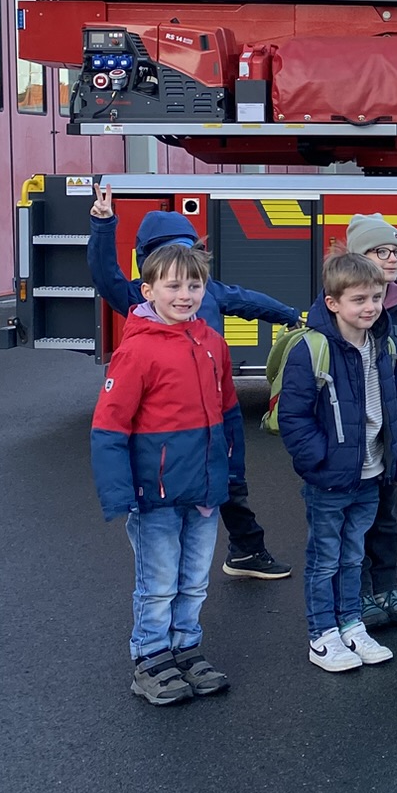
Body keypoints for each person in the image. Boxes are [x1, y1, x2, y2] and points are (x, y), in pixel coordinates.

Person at [88, 184, 299, 580]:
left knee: (231, 482)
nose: (183, 288)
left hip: (217, 411)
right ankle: (216, 561)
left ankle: (246, 551)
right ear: (149, 270)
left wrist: (288, 314)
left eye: (190, 262)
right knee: (187, 499)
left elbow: (252, 301)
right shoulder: (139, 297)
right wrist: (103, 226)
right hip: (172, 424)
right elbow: (105, 276)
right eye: (168, 261)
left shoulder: (210, 291)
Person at [90, 241, 239, 705]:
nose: (185, 294)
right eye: (173, 285)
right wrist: (119, 495)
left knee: (195, 579)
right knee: (157, 583)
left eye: (194, 285)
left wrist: (232, 472)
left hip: (205, 491)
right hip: (152, 495)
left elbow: (229, 412)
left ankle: (185, 648)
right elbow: (109, 428)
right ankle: (151, 657)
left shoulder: (212, 341)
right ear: (148, 290)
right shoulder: (136, 351)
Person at [276, 251, 397, 673]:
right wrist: (319, 461)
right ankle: (322, 636)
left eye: (376, 297)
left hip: (372, 474)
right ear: (333, 302)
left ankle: (351, 624)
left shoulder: (382, 343)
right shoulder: (312, 348)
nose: (370, 307)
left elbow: (395, 408)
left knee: (353, 555)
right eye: (359, 300)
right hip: (330, 480)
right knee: (325, 559)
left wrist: (396, 462)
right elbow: (294, 416)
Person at [342, 214, 397, 630]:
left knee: (387, 517)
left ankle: (386, 588)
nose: (393, 258)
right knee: (353, 520)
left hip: (392, 434)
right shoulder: (341, 309)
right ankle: (356, 593)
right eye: (382, 251)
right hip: (353, 440)